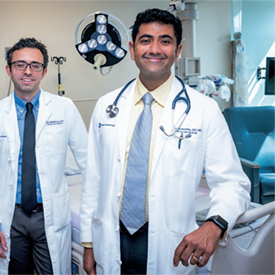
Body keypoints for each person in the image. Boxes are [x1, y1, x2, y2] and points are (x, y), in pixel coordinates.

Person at [80, 8, 251, 275]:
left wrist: (214, 224)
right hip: (112, 237)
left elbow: (233, 183)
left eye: (165, 41)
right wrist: (89, 243)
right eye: (146, 40)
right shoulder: (106, 106)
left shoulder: (203, 109)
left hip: (169, 241)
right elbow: (93, 180)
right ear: (132, 47)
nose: (155, 49)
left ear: (178, 50)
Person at [0, 37, 87, 275]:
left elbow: (89, 163)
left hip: (51, 214)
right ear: (9, 69)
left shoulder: (64, 108)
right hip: (11, 216)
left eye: (35, 65)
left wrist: (93, 220)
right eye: (20, 64)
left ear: (44, 71)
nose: (28, 71)